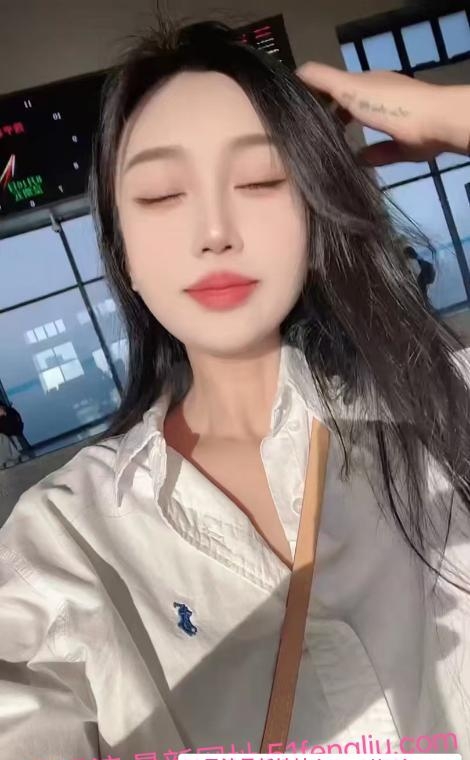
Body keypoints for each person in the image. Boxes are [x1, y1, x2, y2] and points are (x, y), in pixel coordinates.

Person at [1, 18, 470, 758]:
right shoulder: (64, 540)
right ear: (122, 254)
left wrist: (452, 113)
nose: (215, 231)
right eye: (161, 195)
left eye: (260, 181)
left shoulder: (448, 407)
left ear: (315, 217)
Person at [0, 402, 23, 468]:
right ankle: (4, 461)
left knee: (13, 440)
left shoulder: (10, 411)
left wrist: (4, 414)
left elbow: (16, 422)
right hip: (5, 434)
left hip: (13, 431)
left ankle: (17, 456)